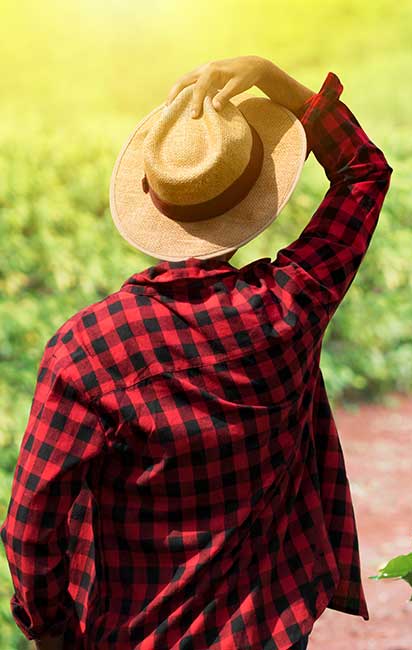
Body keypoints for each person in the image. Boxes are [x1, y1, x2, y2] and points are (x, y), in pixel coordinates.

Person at [1, 55, 392, 649]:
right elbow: (363, 172)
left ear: (152, 200)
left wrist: (51, 631)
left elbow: (31, 527)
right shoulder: (290, 307)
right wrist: (271, 76)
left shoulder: (86, 350)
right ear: (258, 199)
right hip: (267, 627)